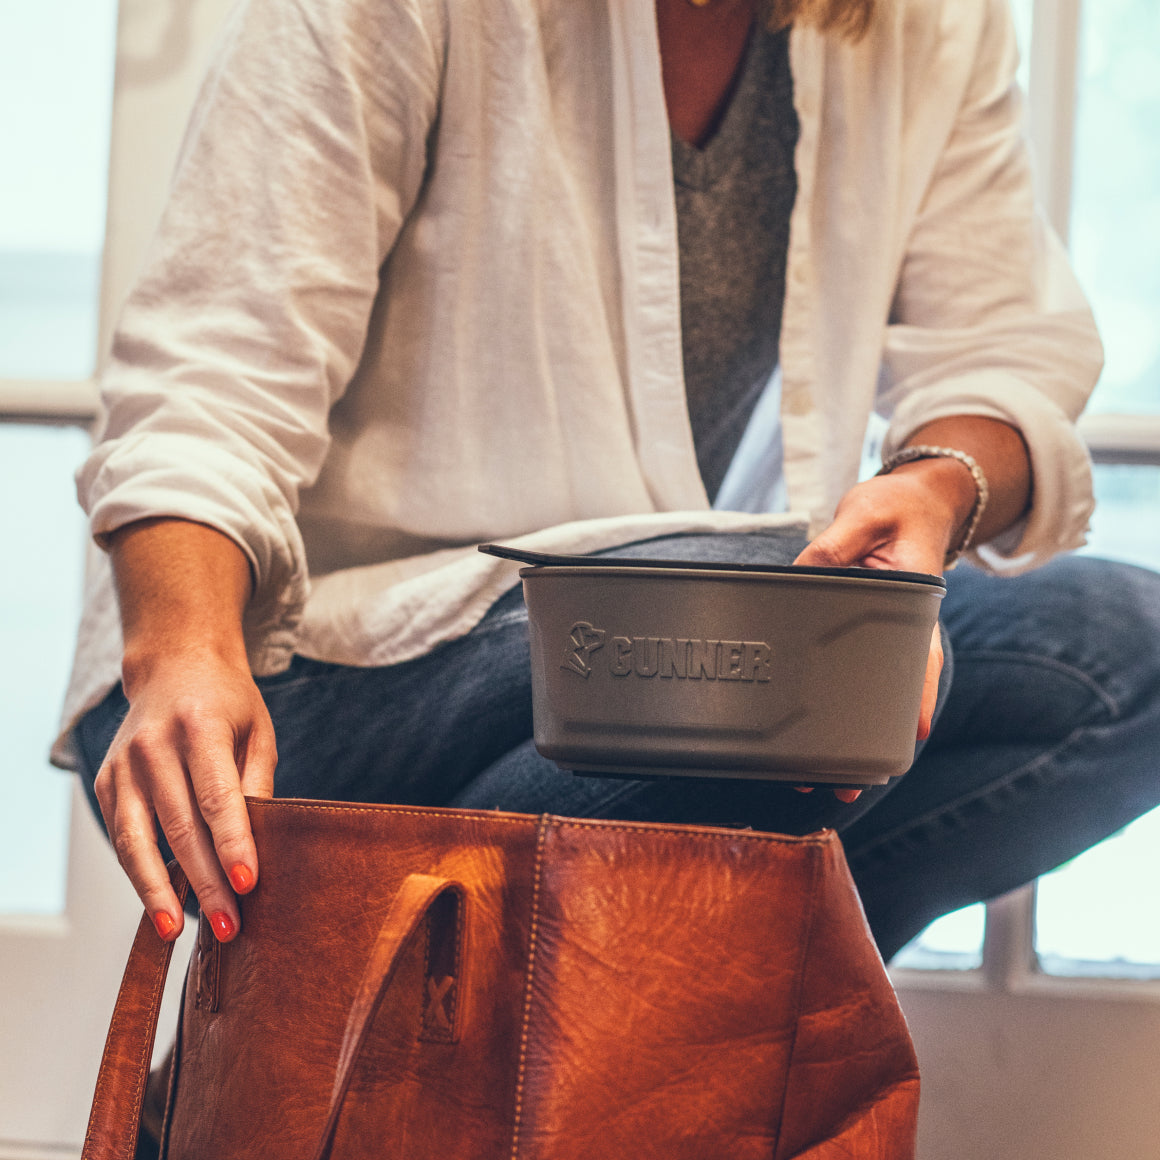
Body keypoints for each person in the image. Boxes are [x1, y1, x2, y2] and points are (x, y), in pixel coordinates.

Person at [56, 0, 1160, 964]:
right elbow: (214, 368)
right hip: (298, 666)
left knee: (1114, 654)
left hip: (676, 657)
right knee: (761, 658)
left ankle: (663, 1022)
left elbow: (999, 349)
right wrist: (184, 650)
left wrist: (931, 489)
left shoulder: (921, 18)